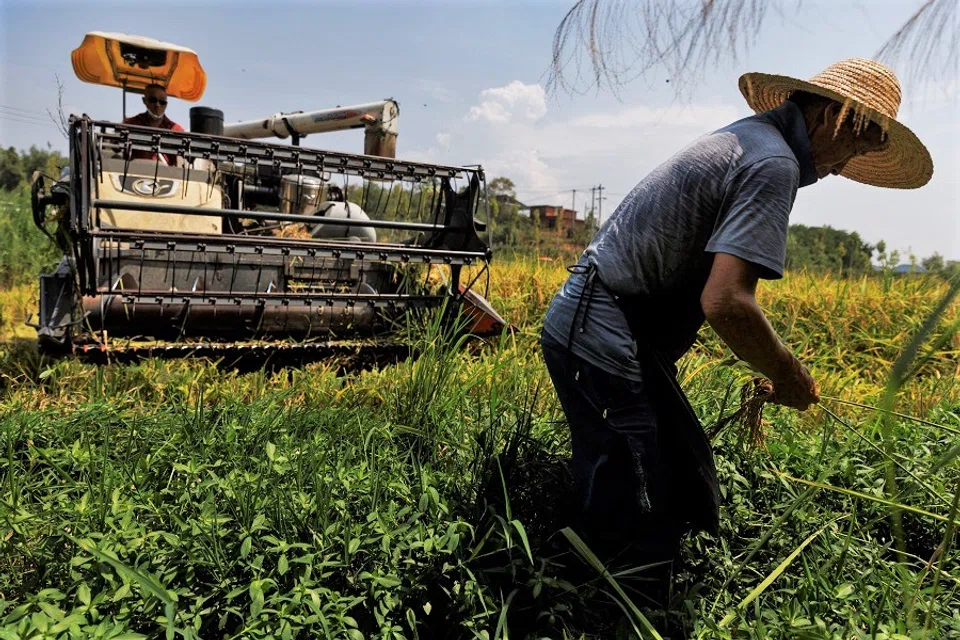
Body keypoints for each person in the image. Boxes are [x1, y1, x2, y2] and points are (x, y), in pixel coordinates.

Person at [541, 58, 932, 603]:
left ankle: (618, 584)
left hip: (614, 325)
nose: (844, 168)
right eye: (854, 151)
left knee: (683, 479)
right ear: (833, 121)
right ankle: (586, 605)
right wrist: (789, 374)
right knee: (631, 504)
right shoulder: (773, 164)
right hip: (601, 330)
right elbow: (726, 301)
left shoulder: (752, 142)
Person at [122, 84, 183, 165]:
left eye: (162, 102)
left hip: (166, 175)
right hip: (134, 174)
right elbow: (115, 145)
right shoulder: (130, 124)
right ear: (144, 100)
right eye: (153, 100)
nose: (157, 105)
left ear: (166, 105)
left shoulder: (176, 129)